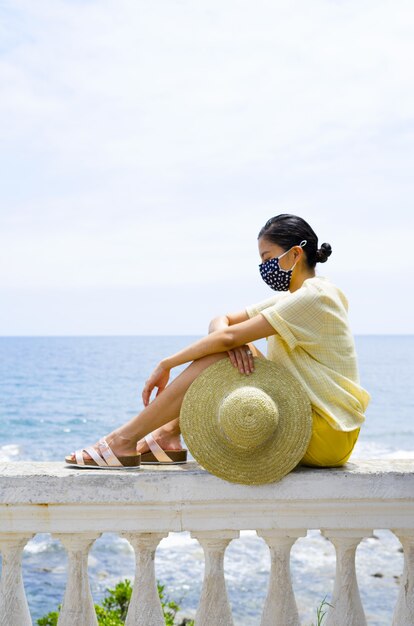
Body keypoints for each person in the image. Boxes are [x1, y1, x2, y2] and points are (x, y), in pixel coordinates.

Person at [65, 214, 370, 469]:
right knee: (235, 350)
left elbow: (226, 334)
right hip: (321, 429)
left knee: (226, 353)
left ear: (294, 254)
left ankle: (123, 440)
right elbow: (221, 320)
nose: (265, 267)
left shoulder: (314, 297)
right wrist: (229, 341)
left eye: (268, 258)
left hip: (327, 435)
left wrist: (168, 363)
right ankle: (167, 435)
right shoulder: (295, 298)